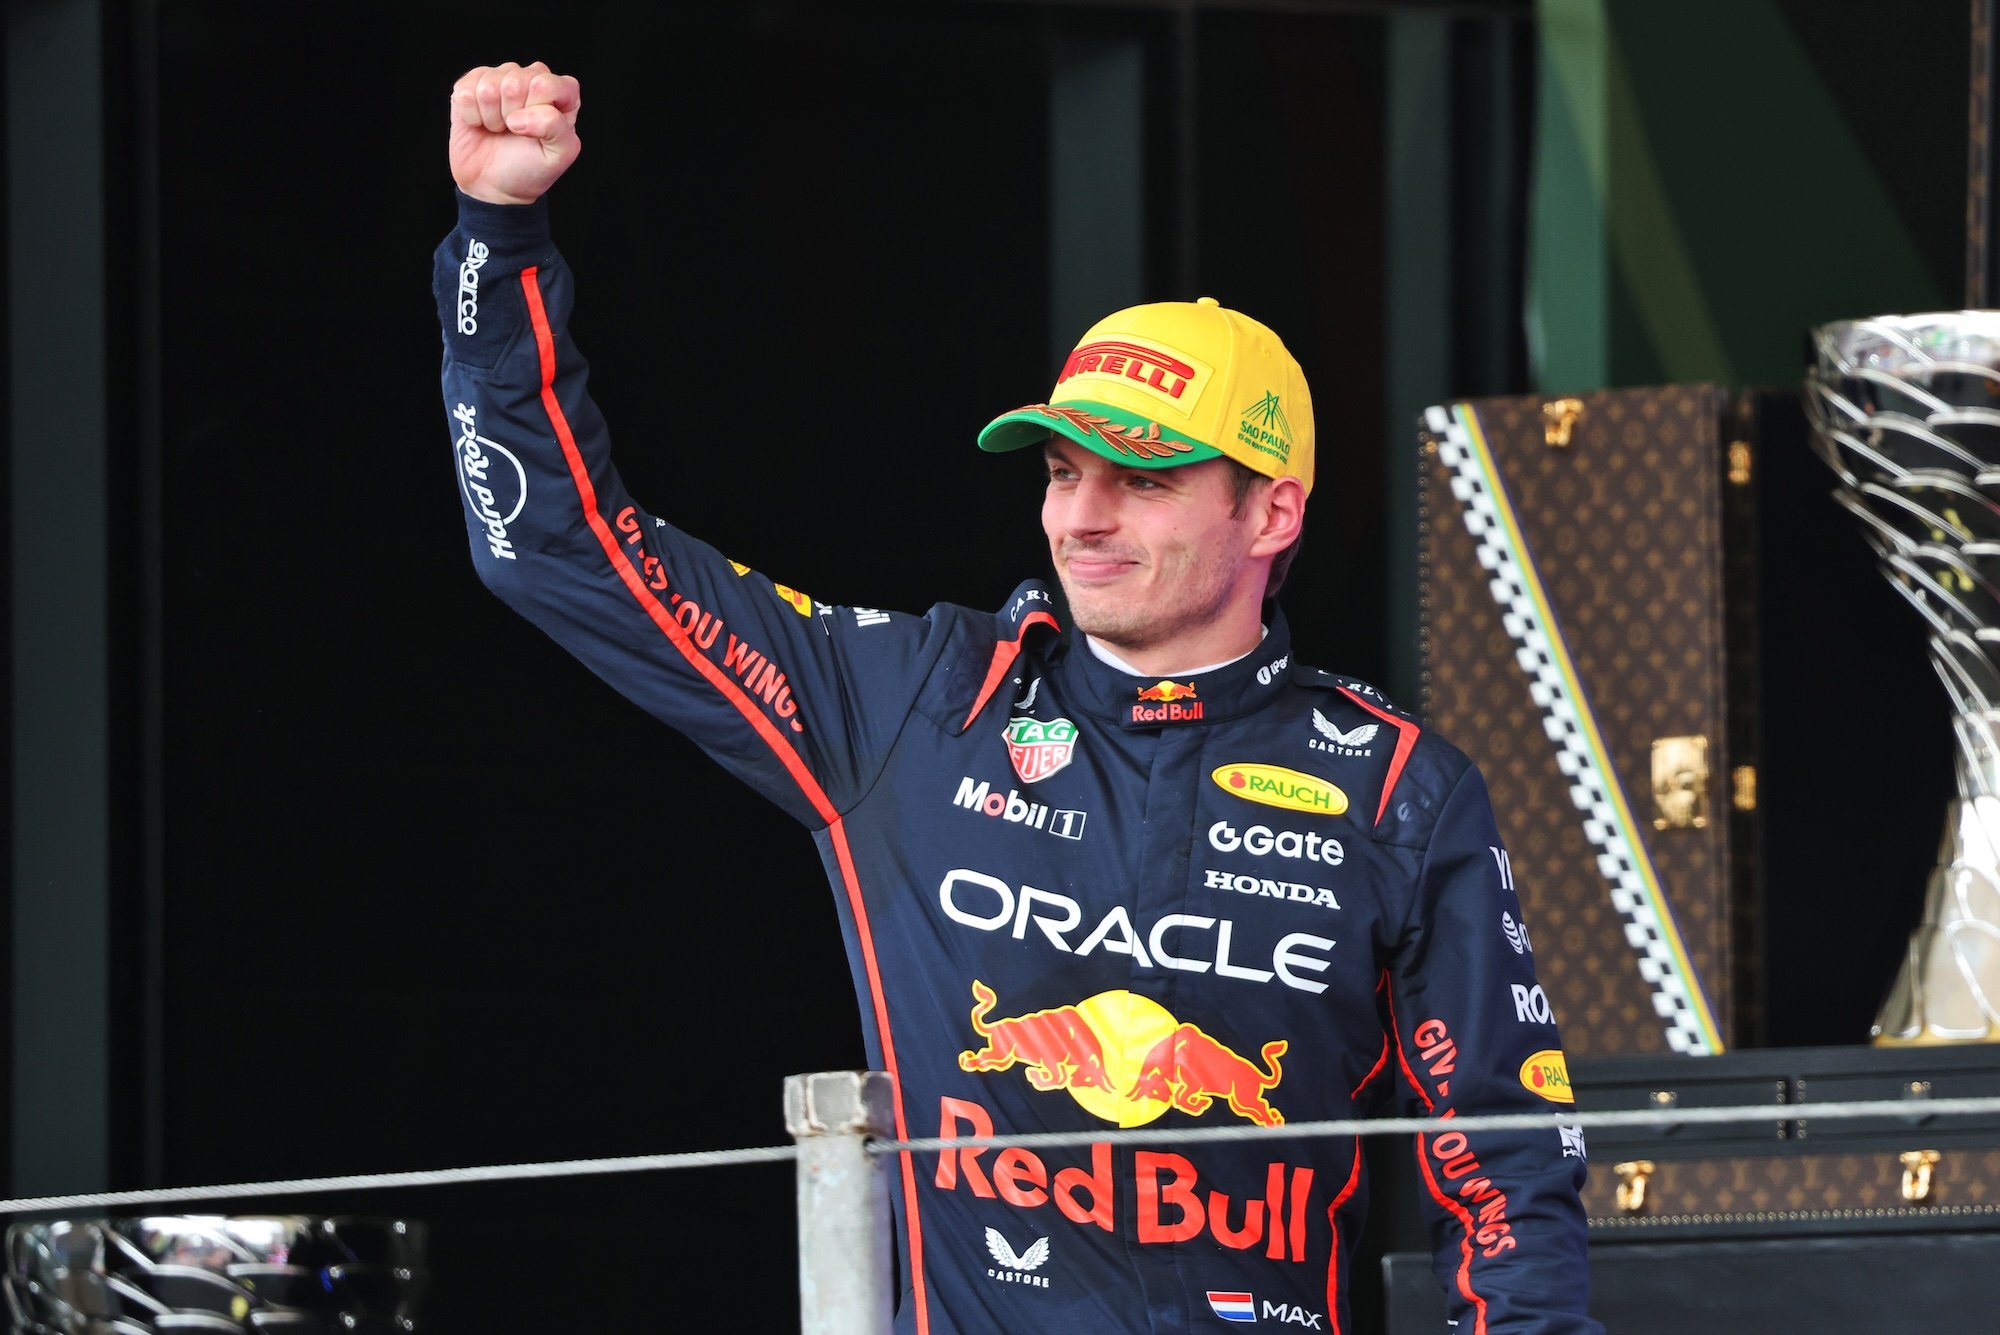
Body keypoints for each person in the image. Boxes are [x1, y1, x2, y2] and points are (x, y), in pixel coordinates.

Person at [438, 60, 1598, 1335]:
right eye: (1059, 471)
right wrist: (501, 236)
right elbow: (553, 550)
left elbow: (1506, 1174)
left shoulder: (1393, 788)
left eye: (1140, 482)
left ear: (1270, 510)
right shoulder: (916, 703)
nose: (1079, 519)